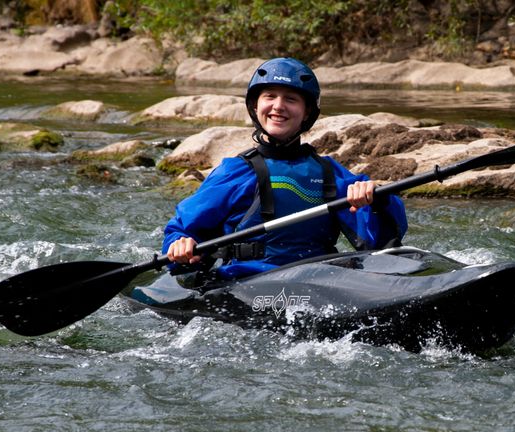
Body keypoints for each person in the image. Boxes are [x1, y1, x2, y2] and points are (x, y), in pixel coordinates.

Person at [162, 57, 408, 280]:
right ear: (255, 106)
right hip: (247, 281)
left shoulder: (330, 173)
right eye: (270, 96)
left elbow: (381, 245)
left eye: (291, 99)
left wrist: (377, 202)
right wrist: (180, 243)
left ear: (307, 112)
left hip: (318, 279)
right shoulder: (235, 172)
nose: (278, 106)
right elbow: (181, 229)